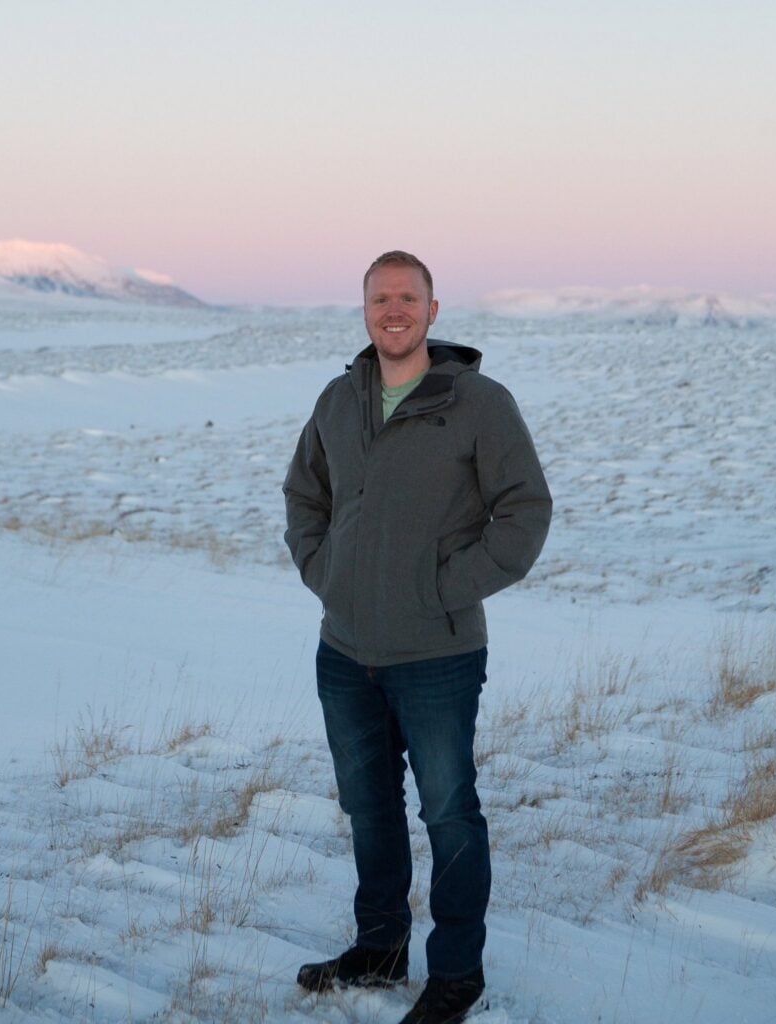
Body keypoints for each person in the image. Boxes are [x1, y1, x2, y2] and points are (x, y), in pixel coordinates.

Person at [283, 251, 552, 1024]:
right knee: (369, 810)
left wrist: (442, 589)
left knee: (448, 813)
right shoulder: (339, 399)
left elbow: (526, 512)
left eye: (407, 298)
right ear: (364, 310)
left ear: (433, 311)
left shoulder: (478, 403)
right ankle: (381, 948)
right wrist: (323, 569)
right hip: (344, 652)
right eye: (379, 299)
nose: (392, 310)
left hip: (438, 654)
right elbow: (305, 492)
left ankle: (456, 976)